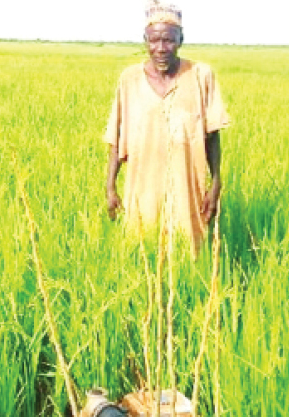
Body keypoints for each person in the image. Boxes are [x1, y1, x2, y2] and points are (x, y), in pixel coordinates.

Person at [104, 2, 230, 249]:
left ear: (181, 40)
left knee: (187, 248)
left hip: (187, 188)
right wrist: (110, 187)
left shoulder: (200, 75)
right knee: (142, 249)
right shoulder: (129, 80)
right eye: (154, 41)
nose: (160, 49)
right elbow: (116, 138)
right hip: (141, 187)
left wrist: (215, 185)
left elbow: (212, 137)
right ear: (145, 41)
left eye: (169, 41)